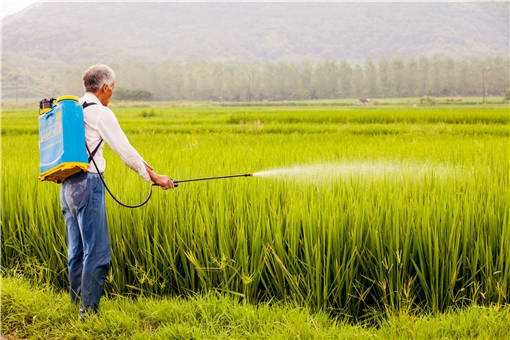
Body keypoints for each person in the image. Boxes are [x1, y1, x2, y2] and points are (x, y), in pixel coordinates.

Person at [60, 64, 174, 319]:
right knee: (98, 253)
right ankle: (88, 314)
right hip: (88, 185)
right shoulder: (100, 114)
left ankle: (76, 304)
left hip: (67, 186)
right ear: (106, 87)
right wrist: (154, 177)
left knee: (76, 250)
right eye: (112, 88)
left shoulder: (75, 108)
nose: (112, 93)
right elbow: (126, 151)